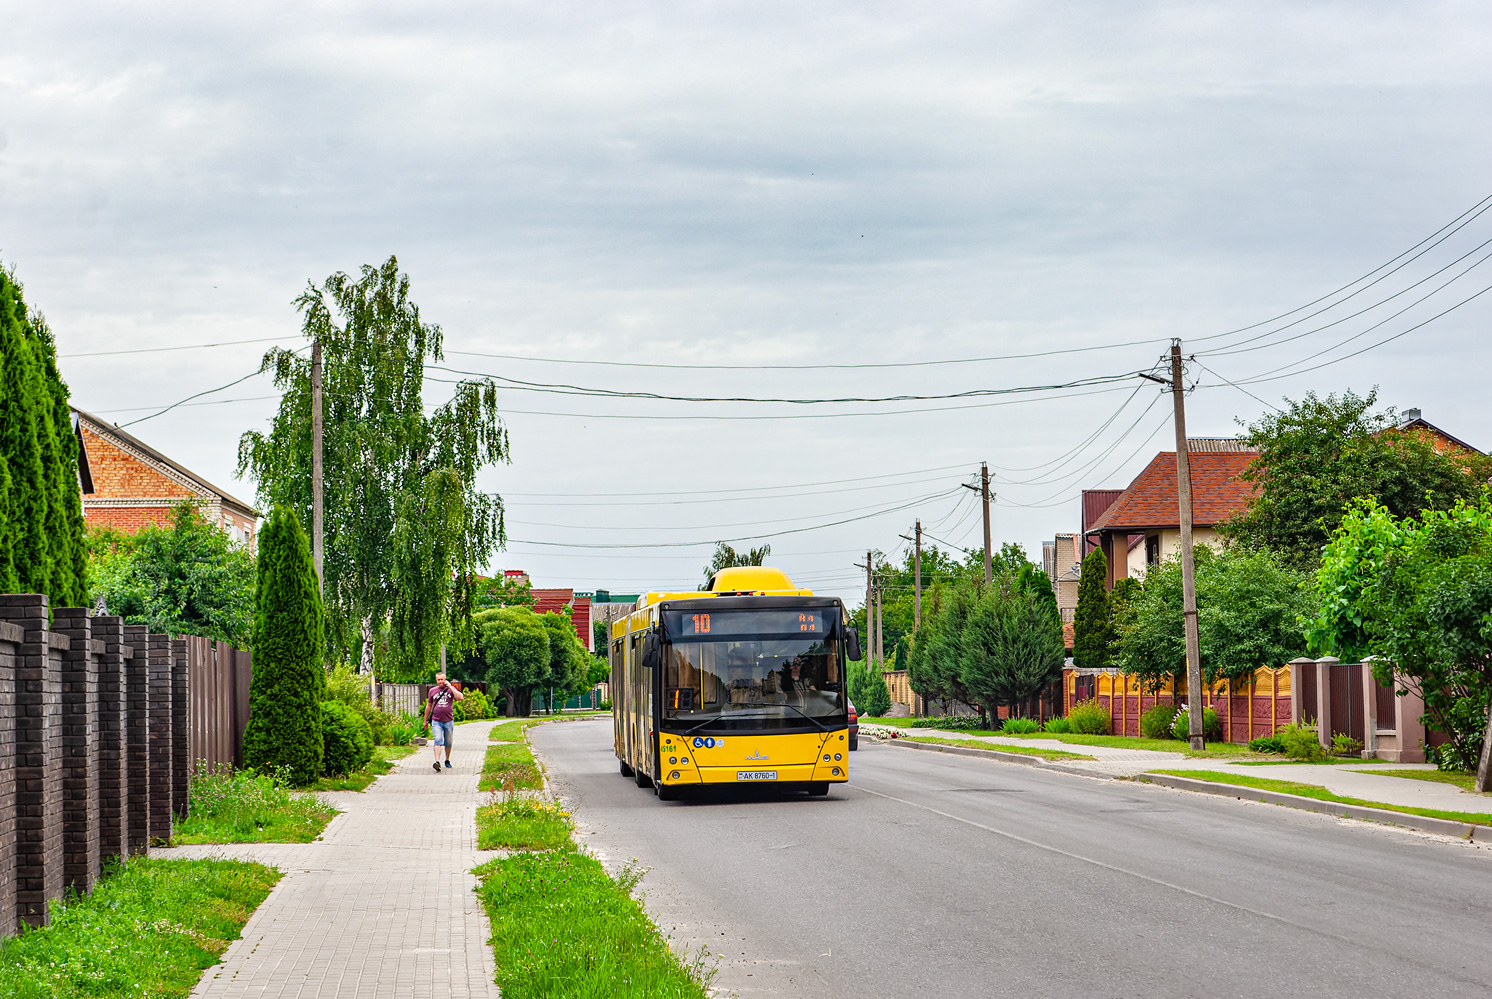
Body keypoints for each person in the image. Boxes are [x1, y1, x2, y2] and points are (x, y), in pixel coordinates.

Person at [424, 673, 465, 772]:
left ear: (445, 679)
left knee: (448, 742)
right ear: (436, 680)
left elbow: (460, 698)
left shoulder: (451, 690)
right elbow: (428, 705)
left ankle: (447, 759)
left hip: (448, 721)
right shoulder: (432, 691)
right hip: (436, 721)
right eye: (438, 680)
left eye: (442, 679)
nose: (440, 681)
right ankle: (437, 762)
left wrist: (450, 686)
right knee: (437, 740)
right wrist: (425, 720)